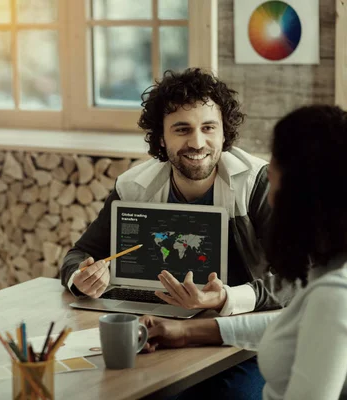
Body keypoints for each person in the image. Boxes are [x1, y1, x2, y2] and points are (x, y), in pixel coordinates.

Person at [60, 68, 293, 399]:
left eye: (208, 128)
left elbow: (298, 277)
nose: (197, 143)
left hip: (239, 339)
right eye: (182, 129)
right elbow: (77, 256)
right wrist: (81, 276)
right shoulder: (133, 186)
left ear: (225, 133)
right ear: (161, 138)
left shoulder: (256, 182)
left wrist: (225, 298)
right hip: (157, 330)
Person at [142, 105, 347, 399]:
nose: (268, 195)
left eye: (275, 174)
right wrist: (186, 332)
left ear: (304, 195)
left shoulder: (337, 298)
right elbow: (295, 322)